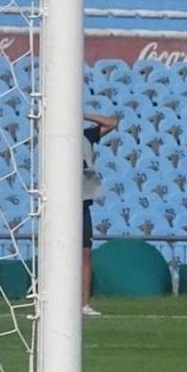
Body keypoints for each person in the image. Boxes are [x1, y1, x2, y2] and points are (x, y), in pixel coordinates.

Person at [81, 111, 119, 317]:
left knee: (85, 252)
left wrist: (83, 114)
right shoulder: (54, 141)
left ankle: (83, 303)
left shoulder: (86, 136)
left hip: (81, 200)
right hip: (60, 201)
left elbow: (112, 122)